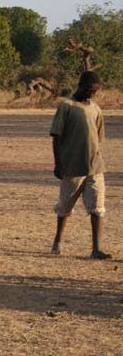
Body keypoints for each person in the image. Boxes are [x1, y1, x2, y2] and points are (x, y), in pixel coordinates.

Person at [50, 71, 111, 259]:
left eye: (95, 91)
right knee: (65, 206)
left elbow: (98, 137)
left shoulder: (96, 109)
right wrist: (58, 163)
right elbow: (56, 136)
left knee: (97, 207)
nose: (91, 94)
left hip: (95, 166)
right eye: (89, 90)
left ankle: (96, 248)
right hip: (72, 166)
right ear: (80, 85)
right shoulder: (66, 106)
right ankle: (57, 241)